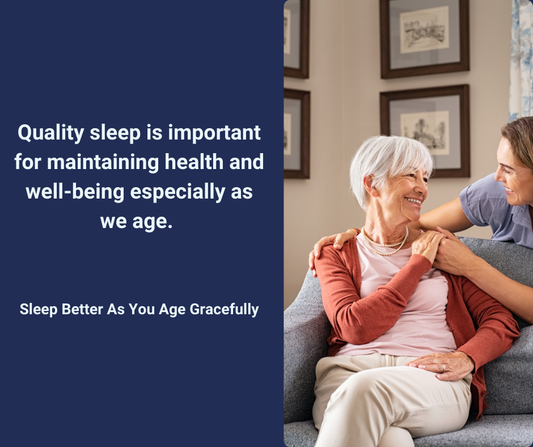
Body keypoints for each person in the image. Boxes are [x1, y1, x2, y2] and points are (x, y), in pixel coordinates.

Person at [312, 135, 519, 447]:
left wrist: (466, 357)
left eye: (425, 177)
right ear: (372, 184)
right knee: (391, 440)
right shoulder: (337, 252)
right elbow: (354, 327)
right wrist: (416, 266)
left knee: (364, 391)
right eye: (411, 175)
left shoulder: (443, 249)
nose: (422, 187)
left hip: (429, 378)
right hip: (347, 374)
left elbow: (500, 320)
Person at [310, 116, 533, 324]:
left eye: (509, 169)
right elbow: (415, 224)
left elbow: (497, 321)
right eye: (411, 175)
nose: (497, 176)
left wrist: (471, 266)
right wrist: (360, 237)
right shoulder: (495, 192)